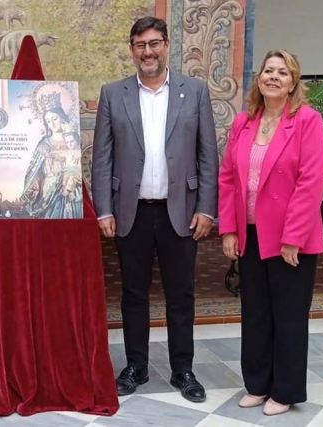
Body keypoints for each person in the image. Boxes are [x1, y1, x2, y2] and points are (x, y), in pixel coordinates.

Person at [91, 16, 218, 402]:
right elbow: (102, 159)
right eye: (140, 44)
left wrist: (207, 209)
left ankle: (183, 369)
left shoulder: (193, 91)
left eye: (154, 43)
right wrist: (103, 210)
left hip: (181, 210)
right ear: (132, 49)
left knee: (182, 294)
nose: (148, 51)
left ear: (166, 46)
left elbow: (208, 154)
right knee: (133, 294)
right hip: (131, 211)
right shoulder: (113, 93)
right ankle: (136, 366)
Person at [218, 50, 323, 416]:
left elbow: (311, 182)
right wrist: (229, 229)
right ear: (259, 78)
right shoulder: (244, 122)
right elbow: (228, 178)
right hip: (250, 234)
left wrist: (293, 236)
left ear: (294, 82)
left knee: (289, 316)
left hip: (289, 239)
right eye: (269, 70)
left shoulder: (308, 121)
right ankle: (257, 384)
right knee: (256, 313)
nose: (274, 77)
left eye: (283, 72)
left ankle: (285, 390)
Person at [20, 93, 73, 218]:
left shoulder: (72, 140)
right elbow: (35, 171)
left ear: (62, 117)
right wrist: (32, 188)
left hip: (69, 185)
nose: (52, 123)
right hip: (50, 187)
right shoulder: (44, 143)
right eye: (48, 121)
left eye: (54, 119)